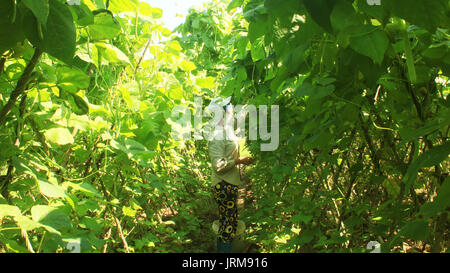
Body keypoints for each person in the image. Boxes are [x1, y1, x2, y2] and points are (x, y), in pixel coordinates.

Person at [207, 97, 254, 253]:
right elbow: (218, 165)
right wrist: (239, 160)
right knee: (227, 224)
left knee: (230, 221)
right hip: (223, 184)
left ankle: (228, 251)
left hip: (228, 183)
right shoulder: (217, 135)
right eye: (229, 112)